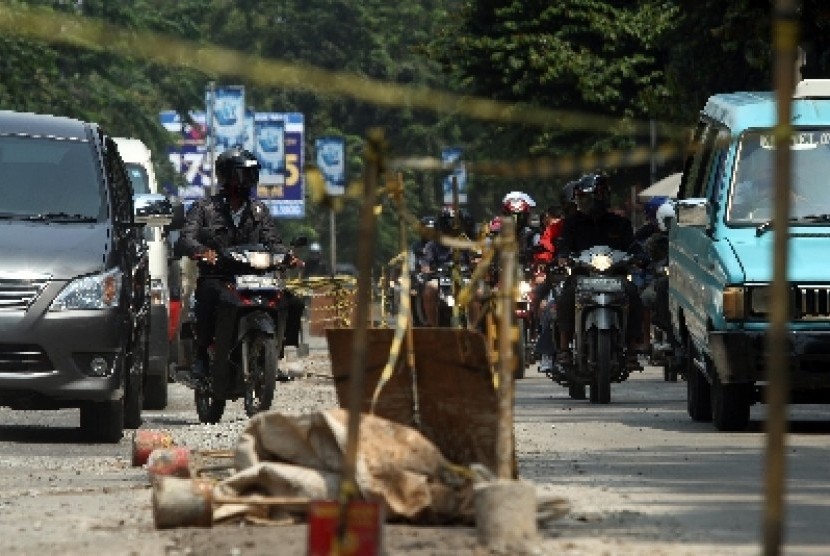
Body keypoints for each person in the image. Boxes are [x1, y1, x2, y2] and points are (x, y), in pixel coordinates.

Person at [177, 147, 304, 381]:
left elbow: (273, 241)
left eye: (252, 174)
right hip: (219, 277)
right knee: (207, 297)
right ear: (226, 176)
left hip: (256, 277)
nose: (248, 180)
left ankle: (279, 352)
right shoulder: (205, 208)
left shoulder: (259, 211)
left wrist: (287, 256)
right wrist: (202, 252)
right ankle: (202, 356)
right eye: (242, 174)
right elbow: (186, 238)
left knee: (292, 301)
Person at [554, 172, 643, 370]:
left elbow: (633, 245)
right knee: (566, 295)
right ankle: (563, 350)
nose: (586, 203)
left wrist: (639, 256)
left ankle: (632, 350)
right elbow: (563, 246)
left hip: (615, 276)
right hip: (582, 275)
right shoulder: (572, 223)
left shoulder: (620, 223)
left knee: (633, 294)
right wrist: (562, 257)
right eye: (583, 198)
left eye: (590, 198)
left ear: (602, 197)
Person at [534, 181, 578, 373]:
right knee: (550, 306)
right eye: (576, 203)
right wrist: (552, 261)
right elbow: (544, 249)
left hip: (595, 276)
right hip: (562, 277)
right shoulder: (556, 228)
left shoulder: (605, 223)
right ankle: (548, 352)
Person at [418, 206, 476, 327]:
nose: (453, 226)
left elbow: (474, 259)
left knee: (478, 293)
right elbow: (425, 263)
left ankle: (474, 327)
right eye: (450, 222)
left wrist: (476, 265)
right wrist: (427, 271)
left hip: (463, 277)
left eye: (456, 222)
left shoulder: (465, 242)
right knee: (430, 288)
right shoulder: (432, 245)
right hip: (441, 278)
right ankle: (433, 326)